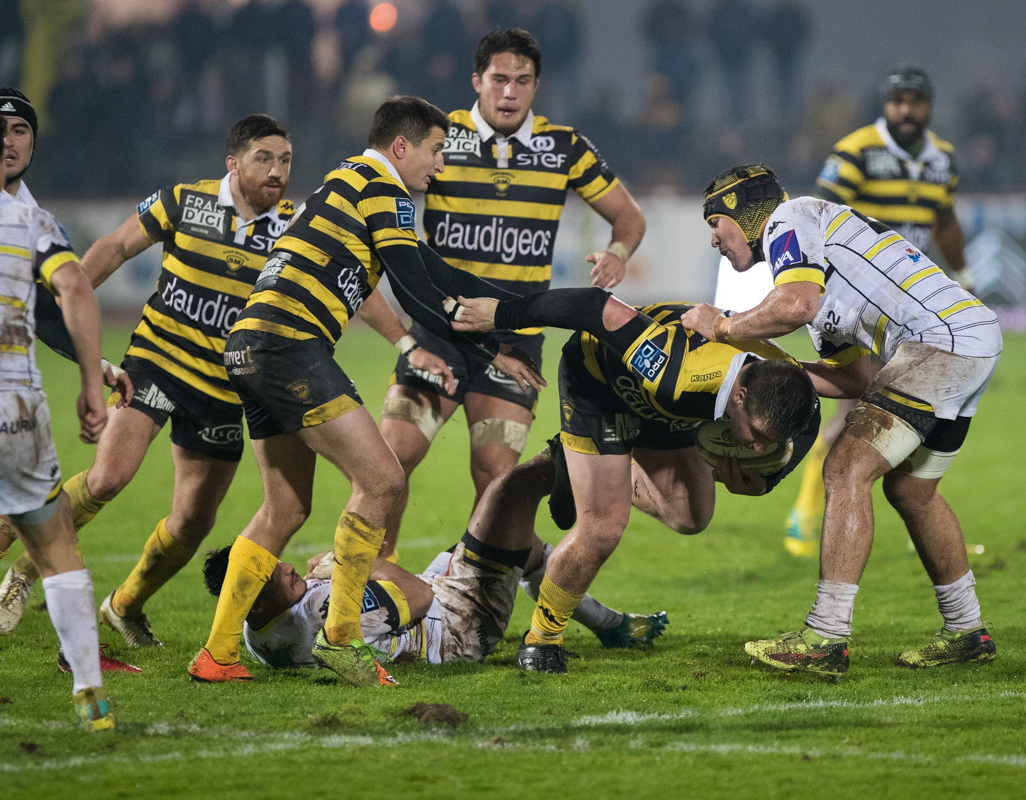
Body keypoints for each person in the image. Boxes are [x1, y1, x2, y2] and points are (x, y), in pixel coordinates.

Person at [187, 95, 545, 686]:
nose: (441, 165)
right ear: (401, 146)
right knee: (383, 481)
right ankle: (342, 637)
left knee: (285, 509)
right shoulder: (382, 188)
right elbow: (416, 290)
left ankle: (219, 652)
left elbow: (434, 271)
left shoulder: (348, 184)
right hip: (291, 343)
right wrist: (494, 350)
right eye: (436, 151)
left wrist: (524, 311)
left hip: (249, 345)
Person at [0, 115, 299, 654]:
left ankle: (125, 605)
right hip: (156, 361)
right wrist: (64, 301)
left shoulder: (294, 227)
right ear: (233, 163)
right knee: (108, 476)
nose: (277, 171)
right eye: (264, 158)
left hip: (223, 389)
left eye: (285, 160)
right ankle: (29, 567)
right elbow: (117, 246)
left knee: (193, 522)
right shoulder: (184, 201)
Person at [681, 164, 1001, 676]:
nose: (714, 240)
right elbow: (854, 379)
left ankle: (825, 636)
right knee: (911, 491)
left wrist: (722, 327)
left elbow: (795, 305)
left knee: (844, 468)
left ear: (743, 214)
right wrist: (763, 365)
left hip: (939, 341)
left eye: (714, 223)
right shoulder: (815, 268)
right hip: (968, 338)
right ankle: (967, 629)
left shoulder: (788, 218)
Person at [358, 28, 646, 559]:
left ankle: (464, 586)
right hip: (441, 329)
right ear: (477, 80)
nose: (509, 92)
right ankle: (377, 572)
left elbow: (629, 217)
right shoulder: (442, 137)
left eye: (522, 80)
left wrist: (618, 253)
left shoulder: (565, 148)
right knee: (393, 456)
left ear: (537, 86)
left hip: (515, 336)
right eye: (499, 79)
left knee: (496, 476)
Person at [449, 284, 821, 673]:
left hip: (667, 406)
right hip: (601, 382)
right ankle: (541, 640)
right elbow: (592, 305)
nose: (759, 448)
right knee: (603, 526)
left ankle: (581, 469)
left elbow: (809, 420)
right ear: (740, 396)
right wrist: (502, 314)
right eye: (757, 435)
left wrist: (768, 481)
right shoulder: (672, 369)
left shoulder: (790, 387)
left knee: (689, 514)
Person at [0, 88, 134, 679]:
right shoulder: (27, 219)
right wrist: (90, 379)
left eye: (20, 130)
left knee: (30, 523)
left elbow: (47, 311)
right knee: (45, 531)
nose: (9, 140)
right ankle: (84, 677)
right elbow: (70, 290)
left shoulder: (22, 206)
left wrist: (96, 367)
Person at [201, 450, 668, 669]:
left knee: (516, 546)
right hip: (459, 623)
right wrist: (352, 563)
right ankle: (612, 455)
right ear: (254, 601)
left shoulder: (255, 631)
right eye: (273, 576)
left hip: (442, 608)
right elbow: (419, 596)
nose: (285, 565)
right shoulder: (320, 615)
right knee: (511, 488)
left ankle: (610, 625)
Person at [783, 66, 973, 558]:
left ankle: (915, 510)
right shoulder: (857, 151)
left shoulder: (943, 159)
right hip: (863, 306)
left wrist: (963, 274)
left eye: (915, 101)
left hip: (917, 309)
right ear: (885, 104)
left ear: (929, 105)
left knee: (913, 411)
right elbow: (819, 215)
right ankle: (806, 510)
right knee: (857, 409)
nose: (906, 110)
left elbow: (945, 220)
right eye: (897, 101)